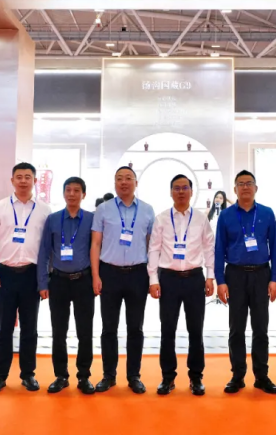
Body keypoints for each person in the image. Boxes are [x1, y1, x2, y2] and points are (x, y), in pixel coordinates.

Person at [0, 163, 52, 395]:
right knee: (4, 328)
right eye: (19, 177)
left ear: (34, 181)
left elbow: (48, 246)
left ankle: (28, 374)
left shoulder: (44, 210)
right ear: (12, 180)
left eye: (27, 177)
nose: (23, 181)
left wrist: (45, 279)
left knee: (29, 328)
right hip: (5, 275)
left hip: (32, 275)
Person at [215, 170, 276, 395]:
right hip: (235, 275)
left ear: (256, 188)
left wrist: (275, 279)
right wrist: (220, 281)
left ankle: (262, 376)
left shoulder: (266, 213)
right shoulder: (226, 215)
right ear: (234, 189)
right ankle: (237, 375)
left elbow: (275, 248)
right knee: (236, 329)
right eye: (241, 184)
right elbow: (218, 249)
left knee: (260, 328)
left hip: (262, 274)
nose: (245, 187)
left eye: (249, 183)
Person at [148, 174, 215, 396]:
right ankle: (168, 377)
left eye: (185, 187)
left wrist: (210, 276)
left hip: (194, 278)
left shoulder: (200, 218)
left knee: (196, 330)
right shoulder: (161, 219)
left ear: (191, 191)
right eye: (176, 188)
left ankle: (196, 377)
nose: (181, 192)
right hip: (168, 279)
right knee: (168, 330)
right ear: (170, 192)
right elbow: (154, 249)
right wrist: (153, 279)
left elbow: (209, 247)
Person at [91, 166, 155, 394]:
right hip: (109, 274)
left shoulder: (147, 210)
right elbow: (95, 244)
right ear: (115, 183)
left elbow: (152, 246)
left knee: (135, 328)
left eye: (128, 178)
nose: (124, 182)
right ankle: (109, 375)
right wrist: (96, 275)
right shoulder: (103, 209)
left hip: (138, 274)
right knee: (109, 327)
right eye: (119, 178)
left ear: (136, 182)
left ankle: (134, 376)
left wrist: (152, 276)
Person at [38, 177, 96, 395]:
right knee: (59, 331)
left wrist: (97, 279)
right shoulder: (53, 219)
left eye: (77, 190)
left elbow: (97, 250)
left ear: (84, 194)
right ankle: (61, 376)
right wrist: (43, 282)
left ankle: (84, 376)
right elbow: (44, 252)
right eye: (68, 190)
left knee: (85, 331)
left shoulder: (91, 219)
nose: (72, 194)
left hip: (83, 281)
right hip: (58, 281)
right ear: (63, 193)